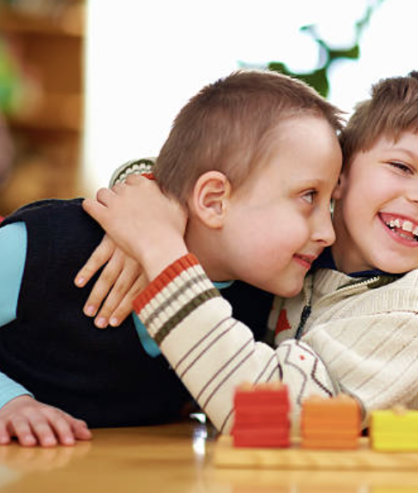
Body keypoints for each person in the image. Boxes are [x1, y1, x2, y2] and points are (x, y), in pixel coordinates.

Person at [83, 69, 418, 434]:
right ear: (339, 175)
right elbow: (225, 180)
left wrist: (158, 245)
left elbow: (266, 415)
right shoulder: (299, 256)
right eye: (402, 167)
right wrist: (148, 199)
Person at [0, 69, 344, 447]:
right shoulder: (45, 244)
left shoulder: (257, 303)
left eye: (331, 204)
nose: (327, 232)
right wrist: (8, 403)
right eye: (309, 196)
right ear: (214, 201)